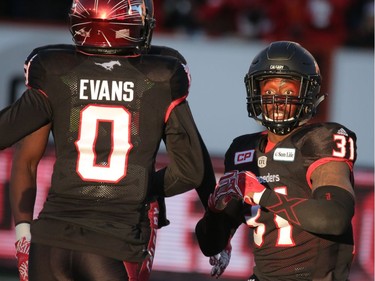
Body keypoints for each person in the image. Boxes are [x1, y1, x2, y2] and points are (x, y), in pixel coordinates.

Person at [2, 0, 216, 280]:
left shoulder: (54, 71)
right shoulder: (160, 76)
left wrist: (23, 235)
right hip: (115, 243)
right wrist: (142, 186)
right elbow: (191, 170)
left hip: (50, 242)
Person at [195, 41, 356, 280]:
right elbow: (210, 244)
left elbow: (335, 218)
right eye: (269, 92)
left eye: (288, 92)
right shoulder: (243, 149)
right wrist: (215, 209)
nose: (277, 100)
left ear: (307, 94)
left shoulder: (320, 140)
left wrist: (260, 194)